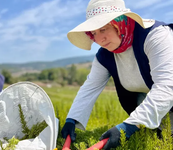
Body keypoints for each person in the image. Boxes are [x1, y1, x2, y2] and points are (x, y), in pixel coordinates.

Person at [61, 0, 173, 149]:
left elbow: (166, 86)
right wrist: (71, 119)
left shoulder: (155, 36)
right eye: (94, 33)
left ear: (119, 23)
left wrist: (129, 126)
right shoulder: (105, 55)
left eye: (103, 29)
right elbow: (90, 87)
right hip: (155, 109)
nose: (99, 40)